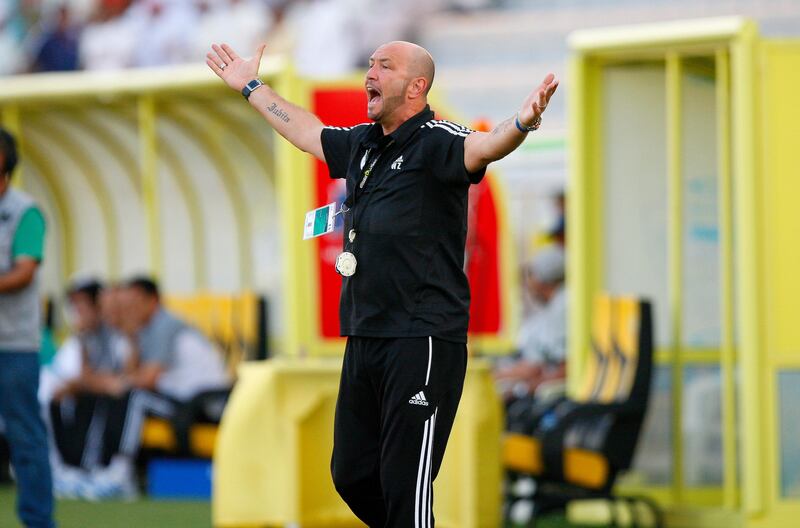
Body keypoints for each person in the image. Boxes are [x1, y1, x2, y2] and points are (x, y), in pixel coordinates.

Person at [206, 39, 557, 526]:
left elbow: (485, 145)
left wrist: (521, 123)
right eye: (369, 63)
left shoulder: (438, 140)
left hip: (423, 338)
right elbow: (307, 132)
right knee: (351, 475)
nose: (369, 72)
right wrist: (250, 85)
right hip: (366, 335)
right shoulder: (365, 144)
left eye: (383, 65)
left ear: (416, 87)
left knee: (404, 482)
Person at [0, 127, 55, 527]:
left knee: (25, 437)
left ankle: (37, 521)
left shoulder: (25, 211)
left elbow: (23, 272)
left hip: (13, 345)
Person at [495, 245, 567, 403]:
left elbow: (559, 368)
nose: (529, 282)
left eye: (531, 275)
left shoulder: (562, 305)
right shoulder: (557, 303)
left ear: (542, 278)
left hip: (554, 394)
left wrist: (523, 388)